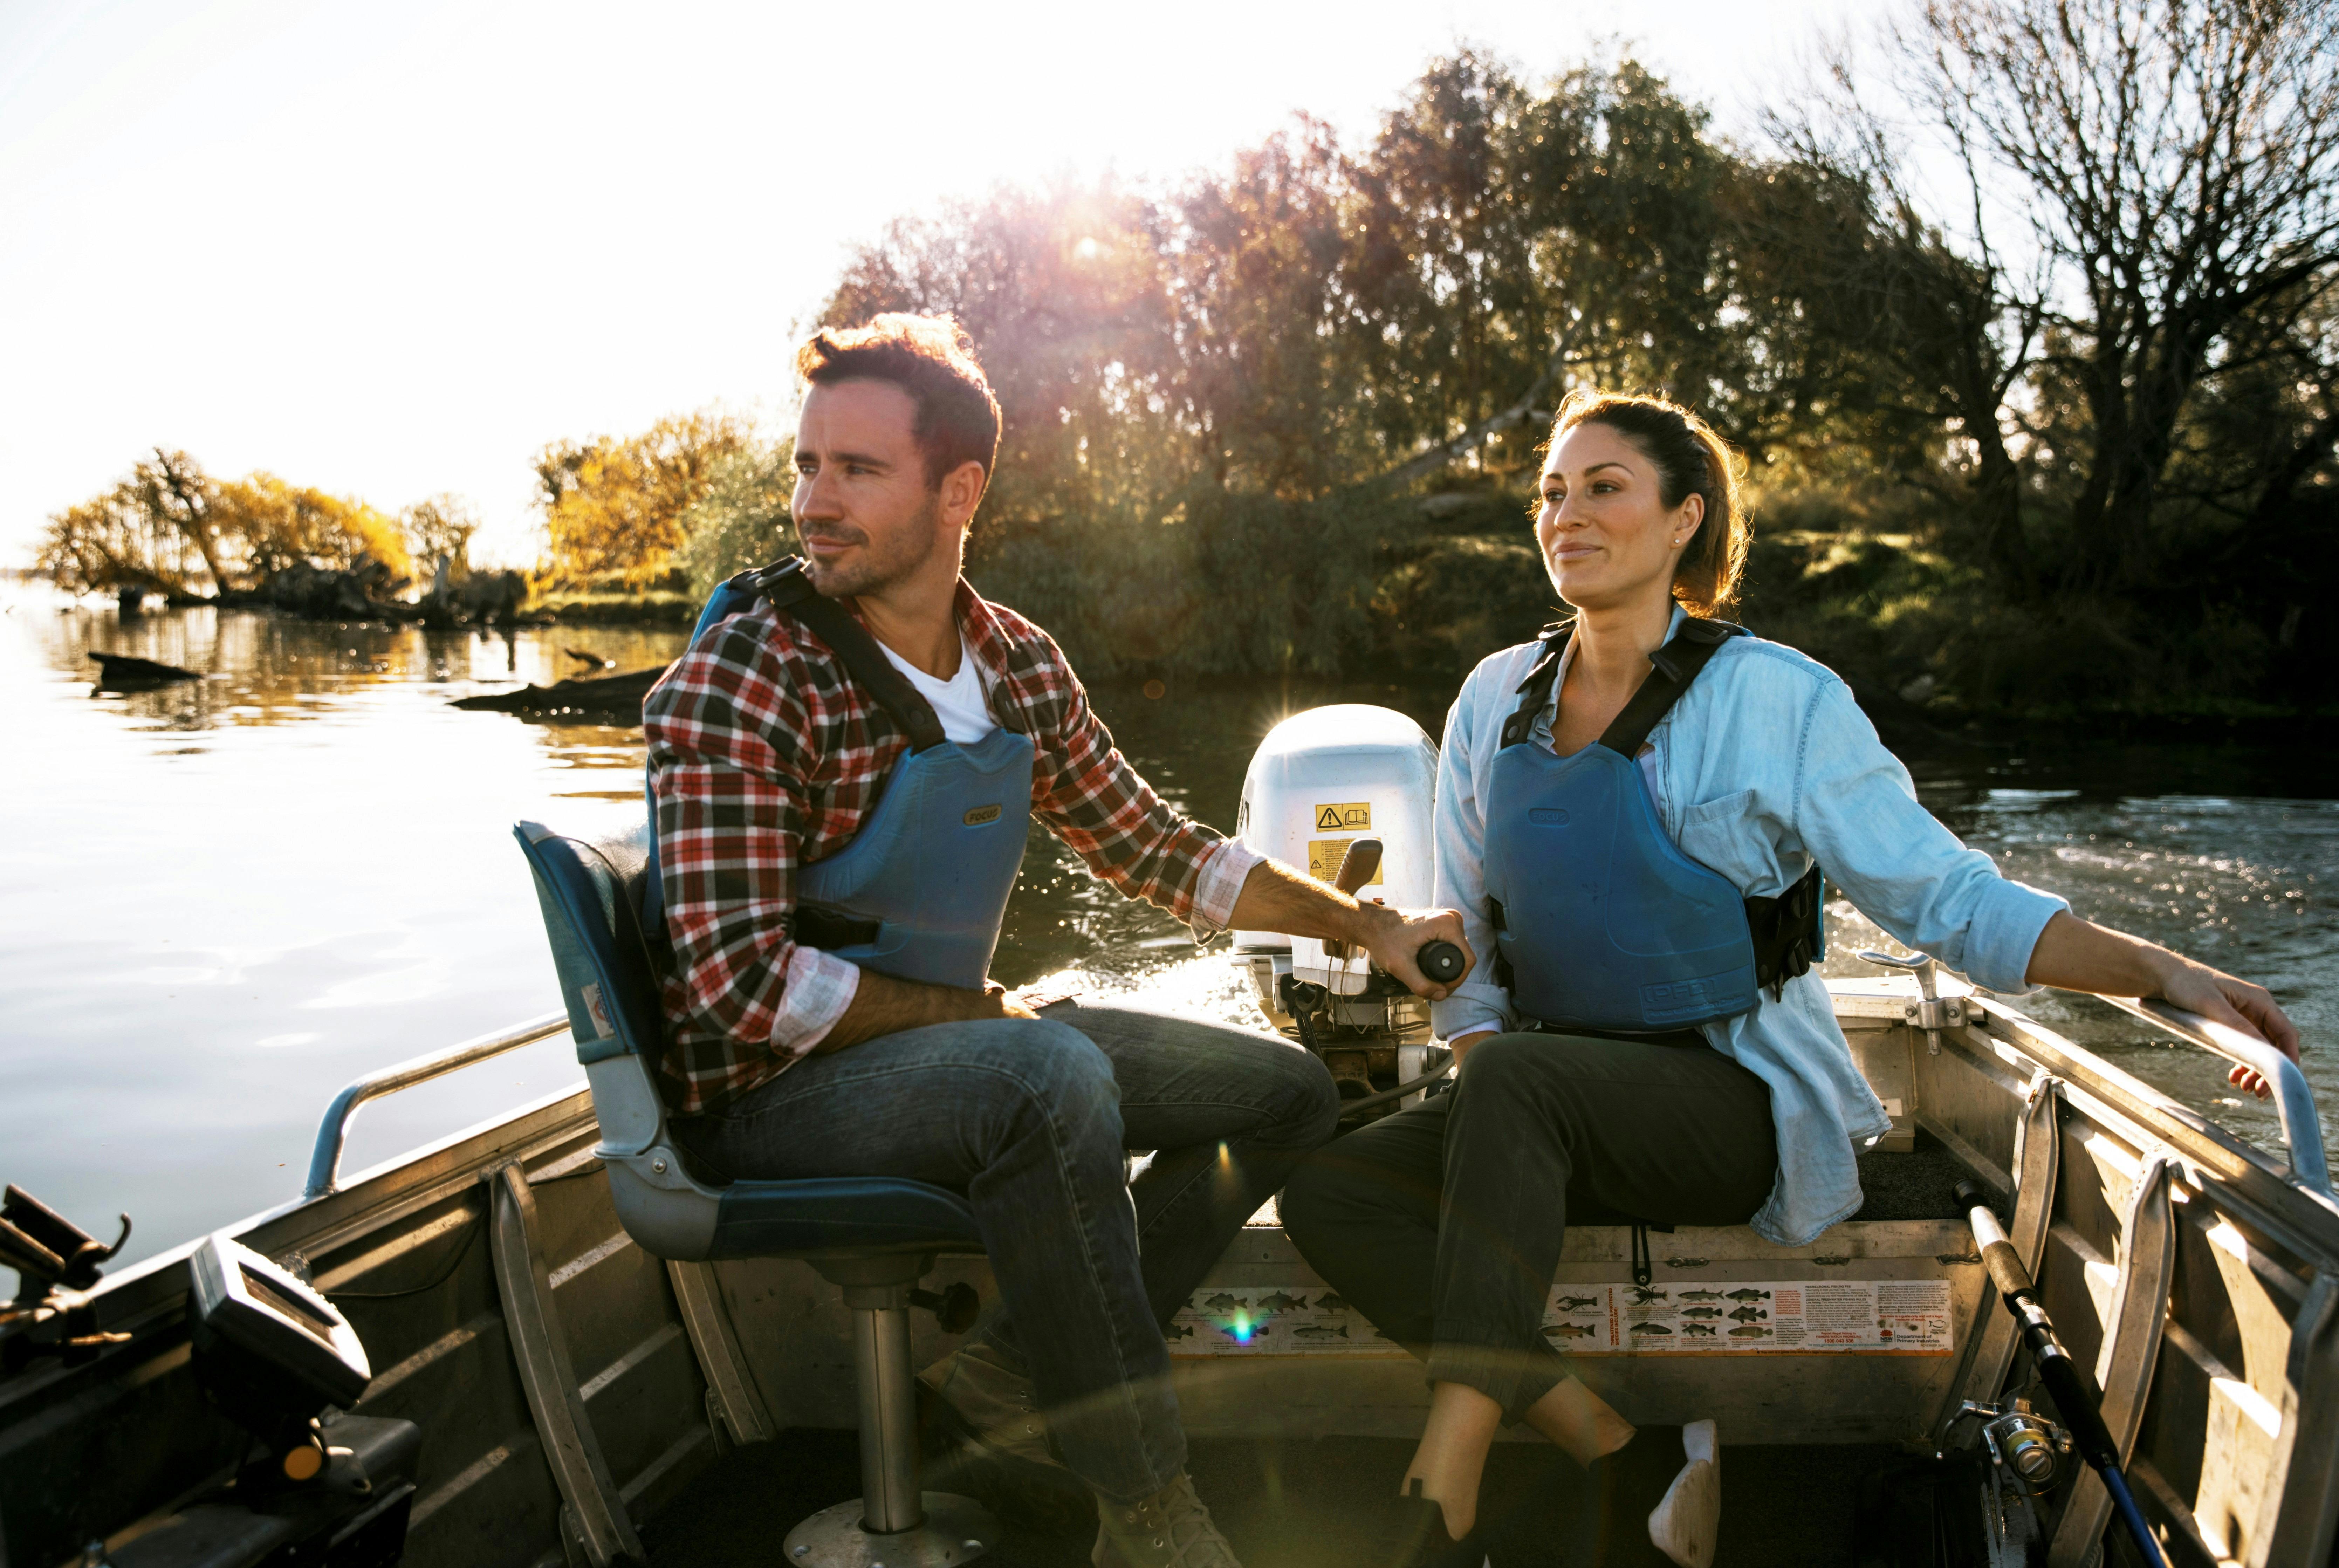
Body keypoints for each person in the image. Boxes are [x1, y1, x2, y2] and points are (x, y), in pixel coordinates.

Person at [1278, 389, 2302, 1568]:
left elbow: (1950, 903)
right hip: (1542, 1100)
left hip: (1731, 1098)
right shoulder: (1489, 697)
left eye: (1603, 487)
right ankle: (1608, 1437)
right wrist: (1479, 1102)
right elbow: (1475, 952)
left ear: (1683, 521)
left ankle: (1445, 1476)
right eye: (1550, 493)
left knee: (1511, 1081)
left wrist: (2161, 976)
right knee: (1331, 1188)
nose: (1565, 513)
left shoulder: (1781, 700)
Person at [641, 313, 1472, 1568]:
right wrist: (974, 1018)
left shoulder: (1015, 662)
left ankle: (1015, 1369)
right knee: (1047, 1071)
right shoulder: (746, 675)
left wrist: (1368, 922)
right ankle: (1144, 1511)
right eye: (807, 465)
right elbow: (736, 986)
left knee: (1290, 1095)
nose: (815, 501)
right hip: (765, 1100)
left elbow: (1156, 849)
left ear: (958, 488)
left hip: (953, 1053)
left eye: (857, 471)